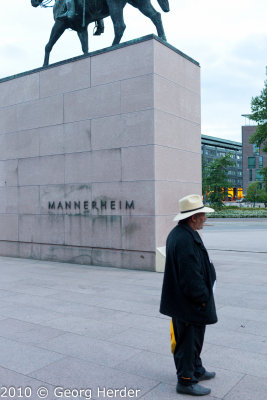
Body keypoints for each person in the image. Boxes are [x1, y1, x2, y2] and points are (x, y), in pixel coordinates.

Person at [160, 194, 217, 396]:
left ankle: (196, 369)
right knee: (187, 341)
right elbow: (189, 276)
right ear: (193, 217)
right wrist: (202, 298)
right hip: (189, 304)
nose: (205, 218)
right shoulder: (184, 238)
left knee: (195, 339)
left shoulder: (184, 233)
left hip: (187, 302)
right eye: (202, 215)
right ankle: (186, 380)